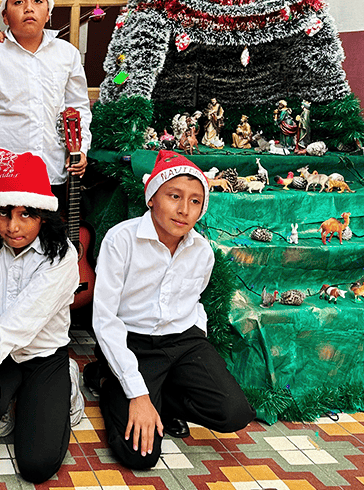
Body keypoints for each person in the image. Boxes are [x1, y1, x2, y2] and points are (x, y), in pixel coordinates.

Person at [86, 150, 255, 470]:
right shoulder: (121, 240)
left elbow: (195, 301)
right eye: (174, 196)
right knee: (140, 456)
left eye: (195, 201)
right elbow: (105, 318)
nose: (184, 210)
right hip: (133, 342)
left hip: (183, 342)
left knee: (235, 413)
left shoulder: (202, 251)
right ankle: (110, 382)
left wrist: (197, 350)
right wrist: (138, 395)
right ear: (151, 198)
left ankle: (159, 396)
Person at [0, 148, 84, 484]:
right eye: (3, 213)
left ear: (43, 214)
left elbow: (25, 318)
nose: (12, 227)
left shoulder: (62, 254)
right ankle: (9, 402)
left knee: (37, 466)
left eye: (26, 214)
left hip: (45, 355)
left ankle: (67, 382)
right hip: (2, 353)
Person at [0, 0, 91, 207]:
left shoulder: (67, 54)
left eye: (37, 1)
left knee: (50, 227)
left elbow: (78, 108)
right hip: (6, 170)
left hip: (53, 166)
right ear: (5, 16)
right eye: (18, 2)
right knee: (10, 227)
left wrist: (81, 149)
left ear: (48, 13)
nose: (28, 8)